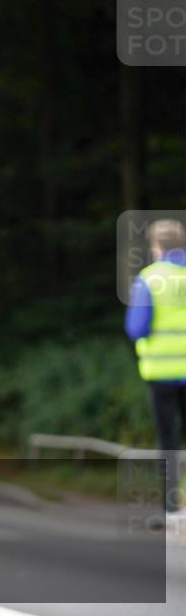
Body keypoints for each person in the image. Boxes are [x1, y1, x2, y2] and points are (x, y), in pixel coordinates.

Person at [125, 219, 186, 515]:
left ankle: (173, 505)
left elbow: (136, 327)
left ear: (157, 246)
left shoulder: (149, 279)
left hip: (160, 373)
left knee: (168, 440)